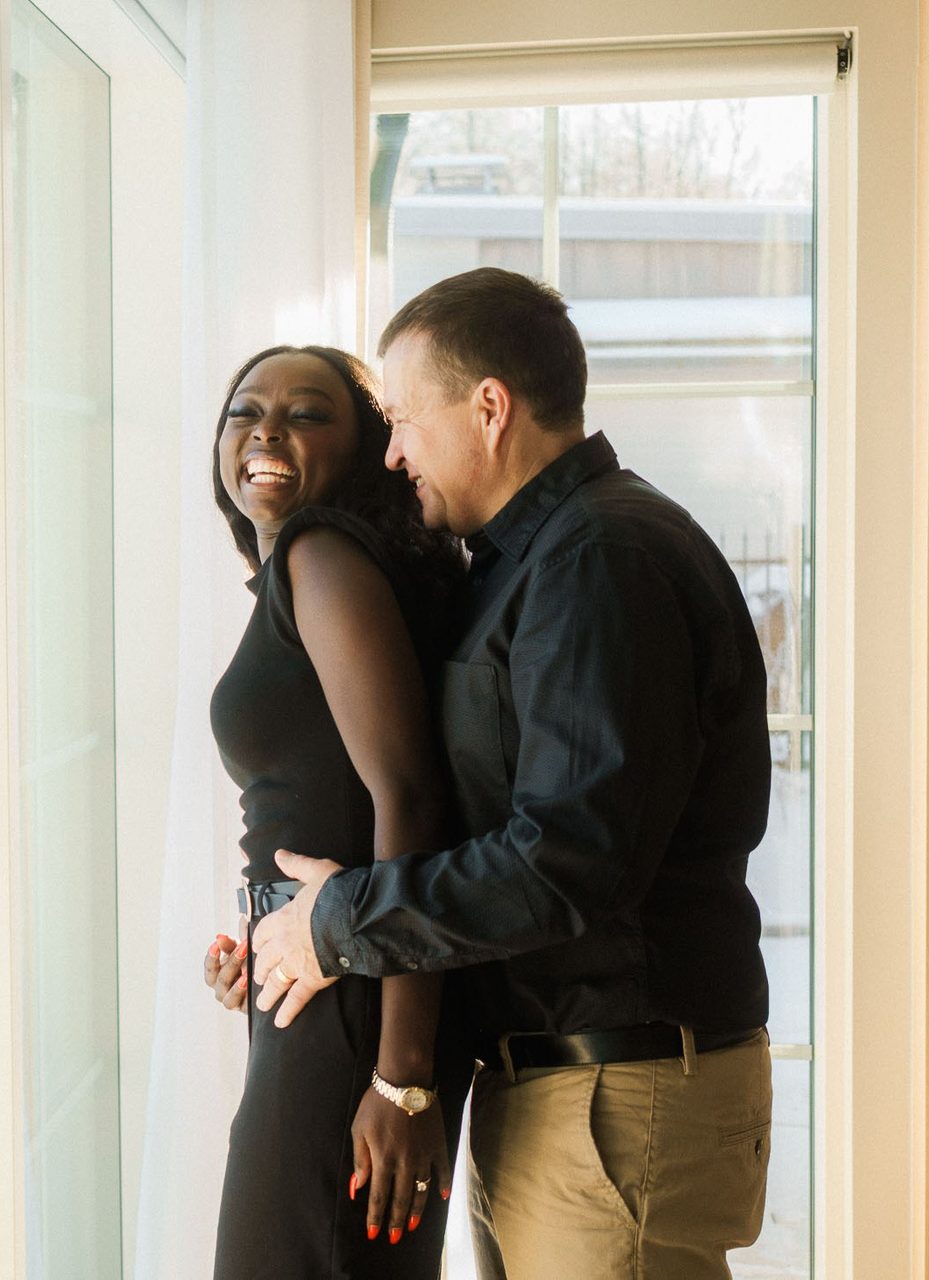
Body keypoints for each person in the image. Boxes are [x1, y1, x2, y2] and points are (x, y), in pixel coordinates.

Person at [248, 267, 775, 1280]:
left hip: (616, 1102)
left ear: (490, 408)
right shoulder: (530, 563)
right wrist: (291, 923)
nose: (392, 452)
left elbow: (568, 860)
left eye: (404, 420)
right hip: (565, 1092)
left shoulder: (600, 560)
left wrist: (341, 922)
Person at [199, 343, 473, 1278]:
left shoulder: (321, 555)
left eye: (308, 413)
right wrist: (265, 932)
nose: (266, 429)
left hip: (363, 1000)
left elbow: (412, 797)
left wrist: (402, 1078)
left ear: (364, 453)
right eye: (245, 410)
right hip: (328, 986)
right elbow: (334, 801)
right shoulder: (305, 572)